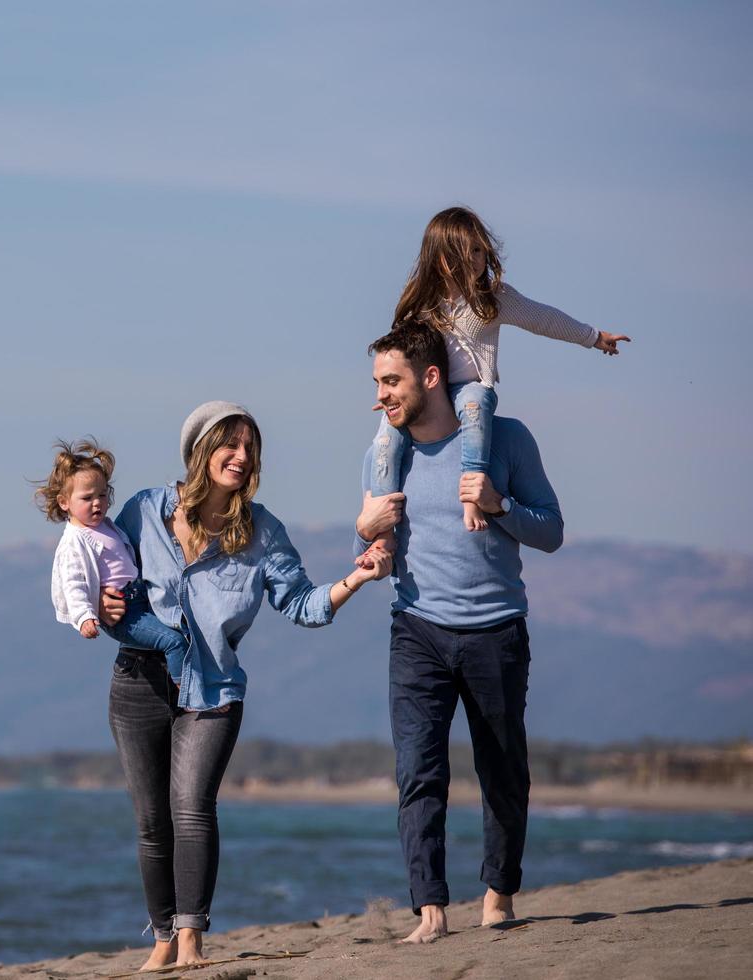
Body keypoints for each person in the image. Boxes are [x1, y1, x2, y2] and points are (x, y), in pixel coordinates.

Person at [99, 402, 391, 970]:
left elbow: (302, 604)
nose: (240, 455)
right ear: (199, 451)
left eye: (249, 446)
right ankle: (161, 938)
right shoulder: (143, 512)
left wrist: (358, 575)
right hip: (138, 680)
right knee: (152, 820)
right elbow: (107, 578)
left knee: (191, 806)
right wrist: (104, 603)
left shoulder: (262, 531)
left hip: (212, 690)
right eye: (229, 443)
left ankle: (190, 941)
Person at [356, 323, 566, 944]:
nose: (380, 397)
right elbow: (375, 550)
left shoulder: (507, 439)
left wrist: (499, 505)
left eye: (390, 381)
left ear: (429, 377)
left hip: (496, 630)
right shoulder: (382, 455)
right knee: (418, 772)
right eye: (375, 383)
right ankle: (431, 911)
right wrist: (365, 533)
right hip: (416, 630)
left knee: (502, 768)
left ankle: (498, 895)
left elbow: (551, 530)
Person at [368, 206, 629, 544]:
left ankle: (472, 493)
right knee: (385, 442)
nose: (475, 258)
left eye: (479, 249)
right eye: (465, 251)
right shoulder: (421, 301)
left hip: (470, 385)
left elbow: (544, 319)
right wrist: (394, 396)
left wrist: (593, 337)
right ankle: (382, 530)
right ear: (440, 258)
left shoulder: (493, 299)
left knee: (475, 405)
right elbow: (400, 354)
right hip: (427, 391)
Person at [38, 439, 188, 681]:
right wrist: (85, 616)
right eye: (87, 498)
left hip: (140, 597)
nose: (97, 503)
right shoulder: (74, 542)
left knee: (185, 629)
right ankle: (188, 694)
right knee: (173, 642)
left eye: (102, 495)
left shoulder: (107, 526)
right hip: (123, 612)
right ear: (64, 502)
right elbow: (73, 583)